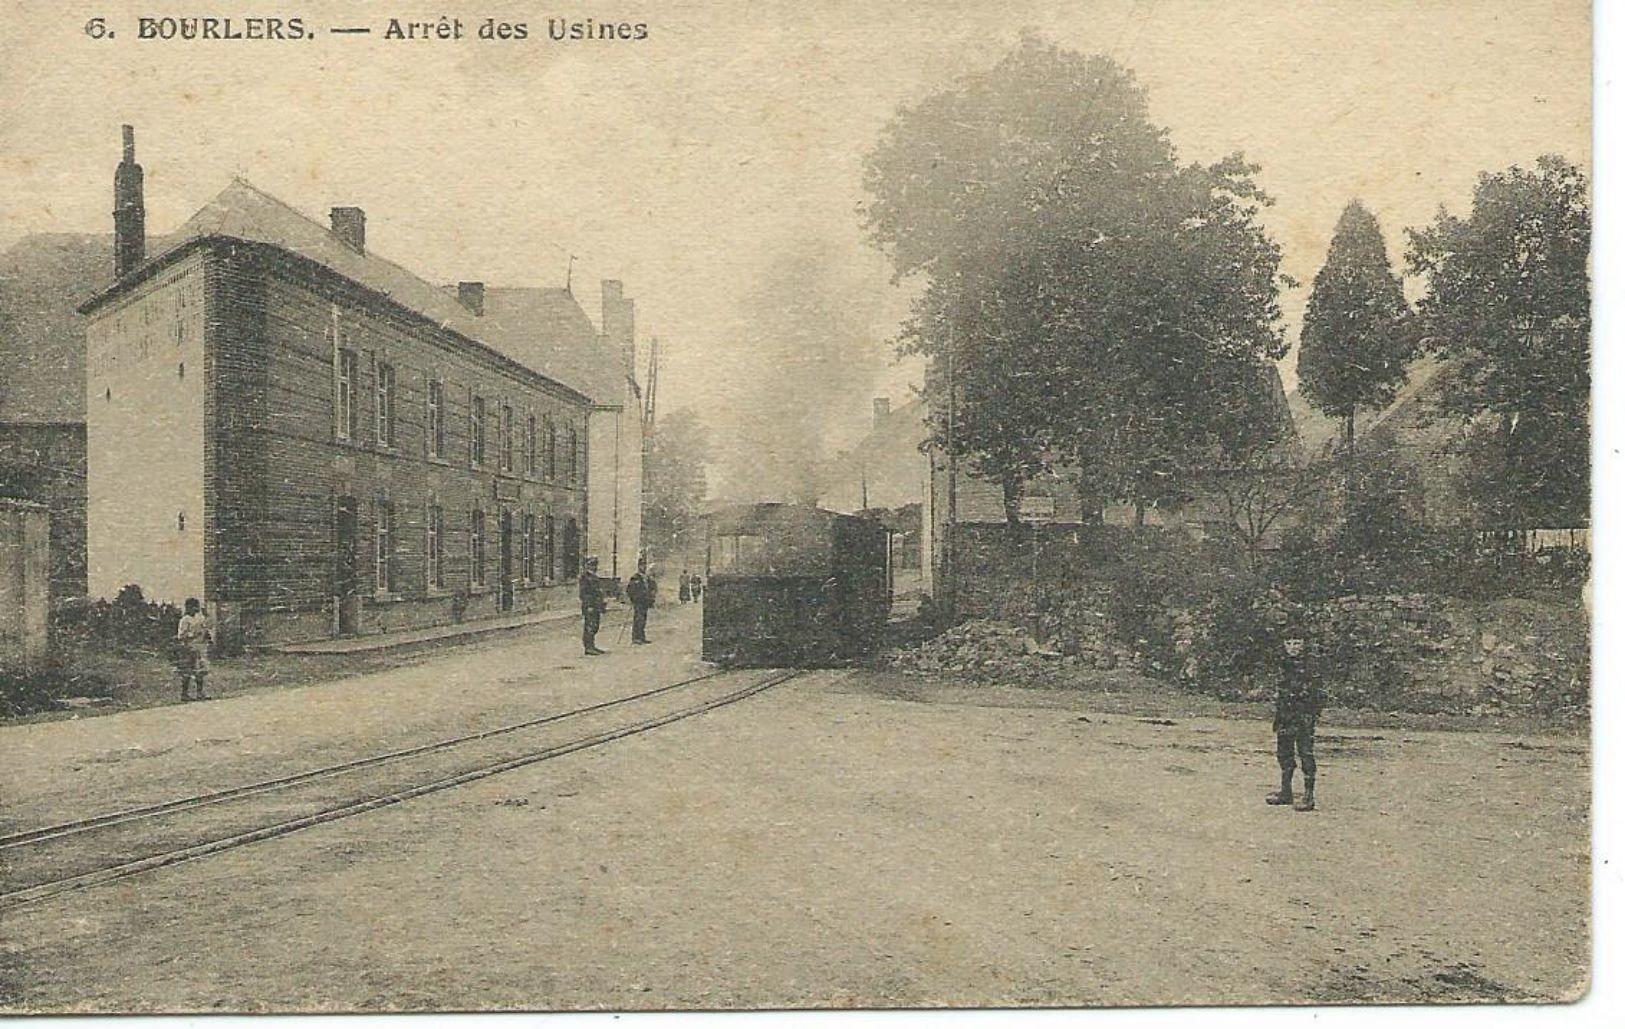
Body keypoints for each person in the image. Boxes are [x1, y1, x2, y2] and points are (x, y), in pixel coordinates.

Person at [1265, 614, 1321, 812]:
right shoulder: (1284, 665)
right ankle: (1286, 791)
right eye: (1288, 643)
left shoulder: (1311, 666)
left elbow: (1316, 694)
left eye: (1297, 643)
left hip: (1303, 716)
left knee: (1305, 753)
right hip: (1285, 715)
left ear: (1304, 644)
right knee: (1284, 753)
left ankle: (1308, 795)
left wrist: (1309, 714)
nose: (1292, 647)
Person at [174, 597, 214, 701]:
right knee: (187, 672)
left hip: (199, 647)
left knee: (200, 672)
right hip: (189, 648)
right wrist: (194, 634)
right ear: (189, 607)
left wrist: (206, 615)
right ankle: (184, 694)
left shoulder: (198, 619)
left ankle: (200, 693)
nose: (197, 608)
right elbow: (181, 635)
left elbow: (209, 625)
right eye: (195, 606)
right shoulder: (185, 619)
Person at [579, 556, 608, 655]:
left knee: (595, 626)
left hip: (596, 605)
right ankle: (588, 647)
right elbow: (584, 594)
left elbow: (598, 592)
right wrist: (589, 606)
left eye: (595, 565)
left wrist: (602, 603)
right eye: (592, 565)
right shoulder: (585, 578)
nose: (594, 567)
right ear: (588, 566)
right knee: (590, 626)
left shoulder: (595, 577)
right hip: (590, 606)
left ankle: (592, 645)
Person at [627, 558, 657, 644]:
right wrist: (634, 599)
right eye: (641, 565)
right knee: (638, 619)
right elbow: (630, 590)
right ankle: (636, 638)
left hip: (645, 601)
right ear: (638, 566)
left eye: (644, 566)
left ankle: (641, 637)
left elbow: (651, 587)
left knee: (643, 619)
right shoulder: (635, 577)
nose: (643, 567)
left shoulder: (646, 577)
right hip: (638, 602)